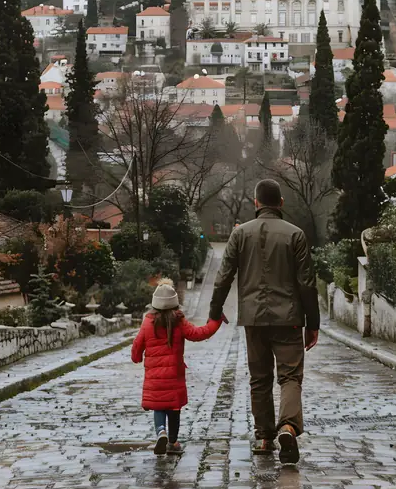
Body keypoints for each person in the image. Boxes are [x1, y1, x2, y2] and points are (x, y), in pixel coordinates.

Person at [209, 179, 320, 464]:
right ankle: (288, 426)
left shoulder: (240, 235)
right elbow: (307, 283)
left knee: (259, 380)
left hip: (253, 319)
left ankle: (264, 437)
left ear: (256, 204)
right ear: (281, 203)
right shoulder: (295, 235)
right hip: (290, 318)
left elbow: (224, 276)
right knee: (290, 376)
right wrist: (313, 323)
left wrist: (214, 310)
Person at [131, 278, 226, 455]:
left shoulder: (147, 322)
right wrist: (216, 321)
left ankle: (161, 432)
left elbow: (137, 345)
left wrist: (136, 357)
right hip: (174, 377)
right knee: (174, 409)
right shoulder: (179, 321)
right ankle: (173, 443)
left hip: (155, 378)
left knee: (158, 406)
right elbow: (199, 333)